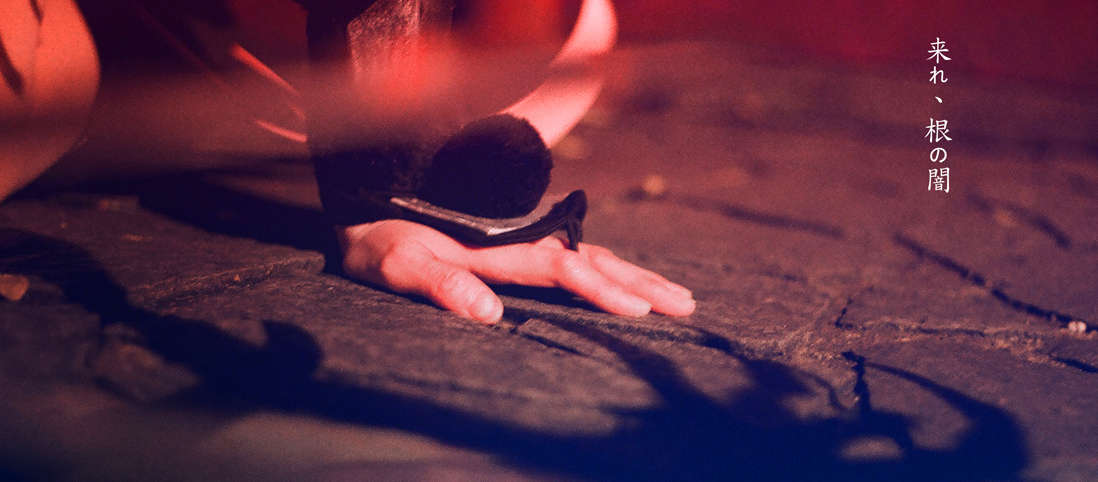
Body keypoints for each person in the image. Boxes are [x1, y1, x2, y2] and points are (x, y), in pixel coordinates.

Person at [0, 0, 696, 324]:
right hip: (69, 46)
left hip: (198, 68)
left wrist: (394, 191)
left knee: (572, 47)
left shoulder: (563, 49)